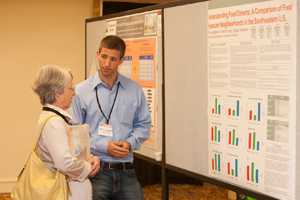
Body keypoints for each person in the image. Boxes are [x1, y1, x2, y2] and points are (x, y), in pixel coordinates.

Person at [71, 35, 151, 200]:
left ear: (121, 61)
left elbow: (144, 125)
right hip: (96, 170)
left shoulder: (134, 90)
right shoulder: (81, 91)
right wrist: (103, 146)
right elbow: (75, 135)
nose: (107, 64)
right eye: (104, 57)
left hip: (126, 170)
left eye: (113, 59)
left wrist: (130, 143)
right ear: (97, 54)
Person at [32, 65, 100, 200]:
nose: (74, 93)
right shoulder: (54, 123)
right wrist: (88, 168)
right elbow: (64, 162)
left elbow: (70, 151)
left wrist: (89, 158)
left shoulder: (53, 117)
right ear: (58, 93)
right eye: (71, 88)